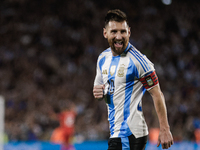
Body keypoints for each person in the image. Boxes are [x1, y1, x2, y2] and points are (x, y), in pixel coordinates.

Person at [93, 9, 173, 150]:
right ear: (105, 33)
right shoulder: (102, 58)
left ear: (129, 32)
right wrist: (98, 93)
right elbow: (102, 91)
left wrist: (165, 129)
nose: (119, 36)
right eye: (114, 32)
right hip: (116, 132)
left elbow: (157, 94)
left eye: (123, 31)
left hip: (130, 133)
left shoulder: (139, 62)